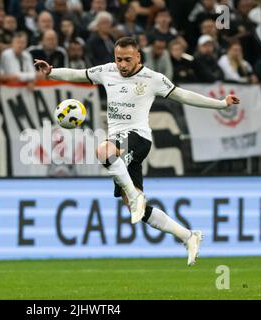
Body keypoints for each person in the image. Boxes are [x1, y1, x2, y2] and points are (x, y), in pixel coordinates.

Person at [34, 36, 240, 266]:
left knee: (103, 152)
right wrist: (51, 72)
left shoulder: (153, 78)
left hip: (139, 137)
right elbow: (78, 74)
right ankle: (188, 236)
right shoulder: (107, 71)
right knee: (137, 211)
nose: (122, 64)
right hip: (119, 146)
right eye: (118, 59)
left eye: (127, 60)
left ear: (138, 57)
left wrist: (221, 104)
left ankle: (134, 197)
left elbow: (183, 95)